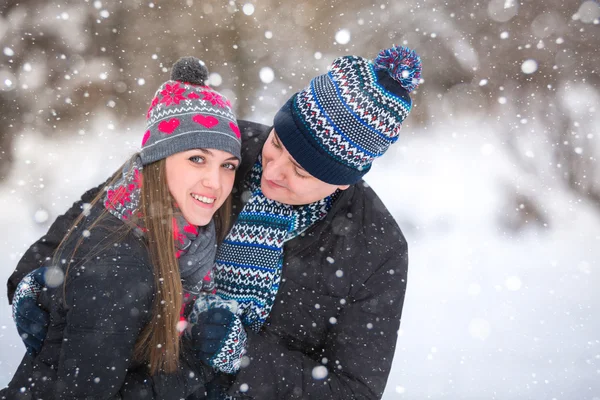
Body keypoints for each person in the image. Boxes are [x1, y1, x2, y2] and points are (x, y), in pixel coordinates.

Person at [7, 45, 423, 399]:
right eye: (278, 143)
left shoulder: (376, 249)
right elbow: (98, 217)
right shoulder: (221, 147)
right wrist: (35, 280)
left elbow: (352, 391)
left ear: (341, 183)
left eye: (301, 171)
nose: (274, 169)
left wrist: (242, 355)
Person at [1, 57, 243, 398]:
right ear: (158, 160)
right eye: (197, 159)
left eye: (228, 165)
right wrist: (196, 363)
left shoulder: (127, 194)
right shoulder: (120, 266)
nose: (215, 183)